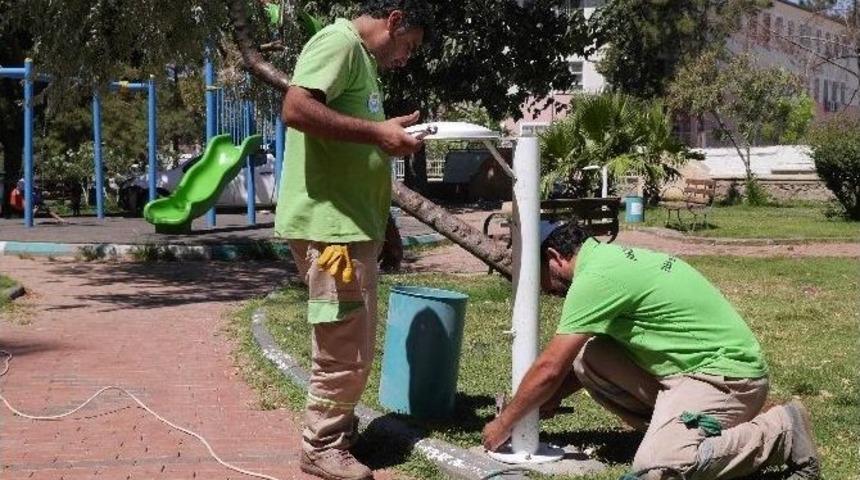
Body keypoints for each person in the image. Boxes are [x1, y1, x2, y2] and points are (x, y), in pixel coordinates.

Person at [482, 222, 820, 480]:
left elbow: (549, 368)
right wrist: (552, 396)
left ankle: (781, 431)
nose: (541, 288)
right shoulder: (606, 261)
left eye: (537, 276)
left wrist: (505, 423)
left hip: (726, 378)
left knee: (656, 468)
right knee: (591, 356)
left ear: (554, 259)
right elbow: (568, 368)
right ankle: (680, 433)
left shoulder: (597, 278)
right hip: (690, 372)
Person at [275, 2, 432, 480]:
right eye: (408, 45)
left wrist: (385, 224)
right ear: (394, 19)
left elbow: (360, 152)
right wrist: (376, 133)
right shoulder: (339, 43)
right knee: (344, 349)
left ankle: (336, 434)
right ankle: (321, 446)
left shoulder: (361, 60)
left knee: (352, 346)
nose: (406, 58)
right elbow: (295, 108)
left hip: (351, 228)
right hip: (331, 232)